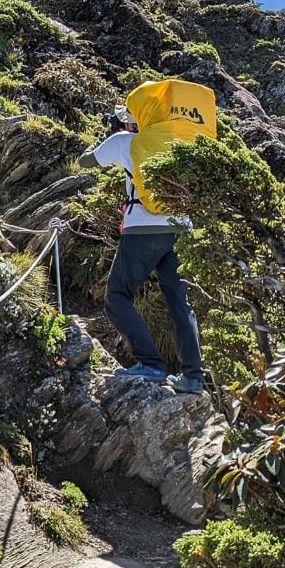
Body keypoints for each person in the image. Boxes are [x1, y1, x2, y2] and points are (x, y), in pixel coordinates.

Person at [78, 105, 206, 393]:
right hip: (180, 228)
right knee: (179, 301)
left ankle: (150, 363)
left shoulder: (125, 142)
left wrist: (107, 136)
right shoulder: (177, 144)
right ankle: (193, 377)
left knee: (117, 296)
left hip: (143, 229)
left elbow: (85, 162)